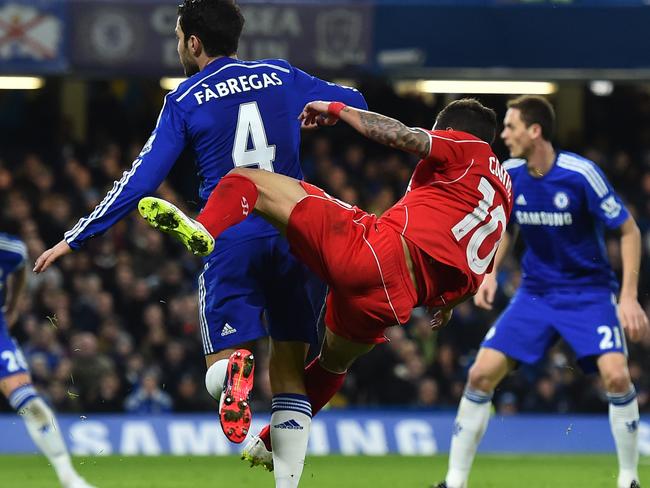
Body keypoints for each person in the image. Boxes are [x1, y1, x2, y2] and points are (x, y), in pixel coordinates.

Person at [33, 0, 366, 485]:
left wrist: (79, 236)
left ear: (193, 41)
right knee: (291, 370)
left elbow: (141, 179)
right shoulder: (281, 74)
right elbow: (354, 100)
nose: (177, 45)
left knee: (223, 364)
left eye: (177, 36)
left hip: (228, 234)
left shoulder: (186, 98)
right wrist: (327, 111)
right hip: (296, 235)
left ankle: (230, 376)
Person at [137, 97, 513, 483]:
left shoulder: (467, 149)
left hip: (373, 253)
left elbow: (400, 135)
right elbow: (477, 269)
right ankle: (271, 445)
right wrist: (448, 303)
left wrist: (338, 110)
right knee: (331, 365)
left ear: (449, 132)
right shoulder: (504, 191)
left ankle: (206, 229)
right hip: (395, 301)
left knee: (245, 180)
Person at [438, 95, 649, 488]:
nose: (504, 134)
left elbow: (629, 228)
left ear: (535, 131)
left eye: (511, 126)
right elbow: (506, 227)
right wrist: (490, 272)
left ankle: (628, 479)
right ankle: (453, 482)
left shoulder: (581, 174)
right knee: (480, 375)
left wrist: (628, 296)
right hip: (535, 294)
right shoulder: (510, 174)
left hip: (588, 294)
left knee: (617, 378)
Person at [0, 221, 96, 488]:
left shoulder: (9, 248)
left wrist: (12, 306)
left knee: (32, 405)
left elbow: (19, 267)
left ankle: (69, 478)